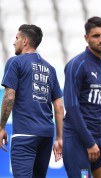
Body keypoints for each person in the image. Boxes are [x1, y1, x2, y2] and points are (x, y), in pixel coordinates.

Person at [63, 16, 101, 178]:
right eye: (96, 36)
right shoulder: (77, 65)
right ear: (86, 38)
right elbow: (71, 106)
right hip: (78, 141)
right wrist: (89, 142)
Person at [0, 24, 64, 177]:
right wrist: (59, 138)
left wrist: (1, 126)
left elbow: (9, 96)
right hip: (47, 135)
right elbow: (59, 106)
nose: (14, 42)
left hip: (25, 133)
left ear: (25, 41)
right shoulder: (50, 69)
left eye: (17, 38)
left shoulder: (15, 62)